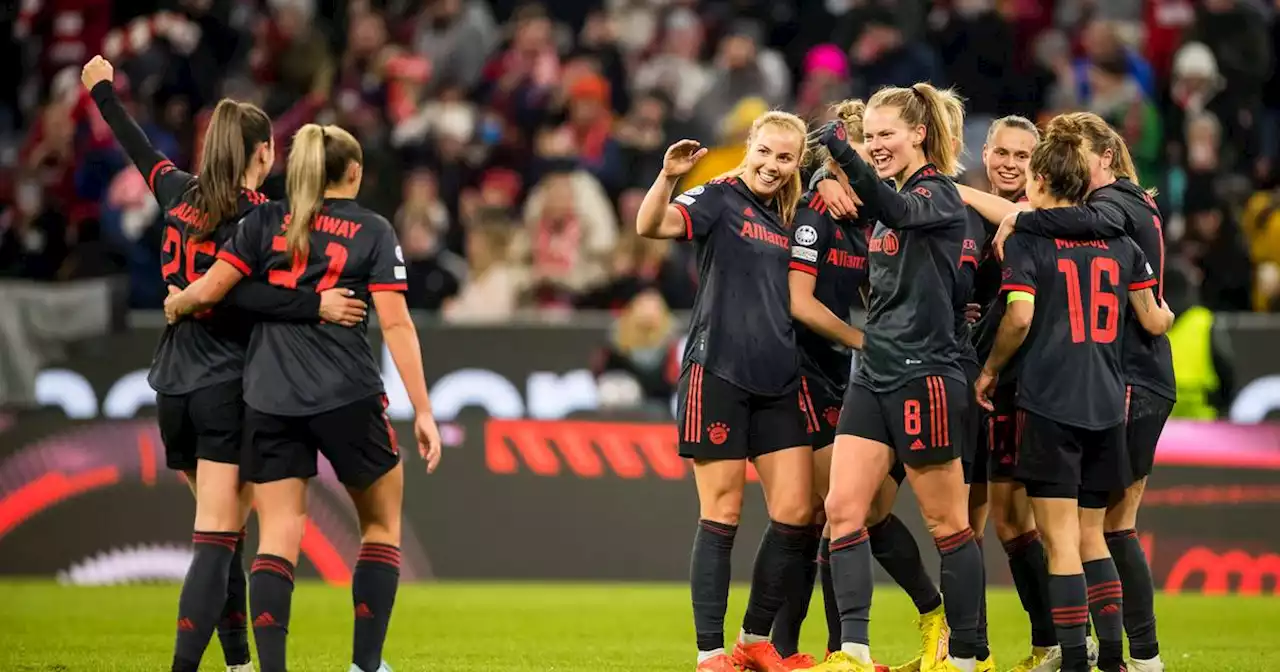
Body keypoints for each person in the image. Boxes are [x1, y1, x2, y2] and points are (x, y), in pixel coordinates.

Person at [80, 56, 366, 672]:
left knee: (224, 534)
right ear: (262, 154)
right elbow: (247, 294)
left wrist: (103, 92)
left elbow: (137, 148)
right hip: (225, 386)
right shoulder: (258, 217)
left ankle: (236, 664)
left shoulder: (178, 192)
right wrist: (316, 304)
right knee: (217, 536)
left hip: (171, 386)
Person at [164, 124, 443, 672]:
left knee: (278, 536)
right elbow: (396, 324)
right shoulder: (373, 229)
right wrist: (425, 409)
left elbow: (214, 287)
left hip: (269, 397)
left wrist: (177, 305)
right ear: (355, 172)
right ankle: (365, 666)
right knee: (381, 525)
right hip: (347, 393)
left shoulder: (266, 219)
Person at [973, 127, 1174, 672]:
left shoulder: (1030, 240)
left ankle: (1072, 660)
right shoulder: (1122, 242)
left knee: (1060, 542)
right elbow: (1155, 317)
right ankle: (1114, 658)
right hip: (1109, 402)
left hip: (1050, 402)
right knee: (1096, 536)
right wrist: (1169, 315)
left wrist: (989, 369)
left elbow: (1018, 315)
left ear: (1040, 179)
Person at [807, 83, 984, 672]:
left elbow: (896, 209)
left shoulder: (937, 195)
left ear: (919, 135)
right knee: (842, 509)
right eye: (871, 136)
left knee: (947, 523)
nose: (878, 145)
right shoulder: (891, 193)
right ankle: (853, 651)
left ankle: (965, 654)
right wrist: (820, 176)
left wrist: (847, 160)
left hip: (925, 376)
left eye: (888, 135)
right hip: (874, 372)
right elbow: (861, 199)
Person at [635, 111, 816, 672]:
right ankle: (709, 652)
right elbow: (652, 227)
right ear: (750, 146)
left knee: (796, 512)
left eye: (785, 158)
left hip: (780, 378)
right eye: (765, 152)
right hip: (718, 373)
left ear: (796, 165)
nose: (772, 165)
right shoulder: (718, 195)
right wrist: (668, 178)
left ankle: (753, 639)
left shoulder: (793, 216)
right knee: (723, 512)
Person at [956, 116, 1064, 672]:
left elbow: (1027, 217)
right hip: (969, 380)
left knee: (1016, 520)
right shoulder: (963, 213)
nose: (1010, 163)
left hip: (1023, 384)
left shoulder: (1042, 214)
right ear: (986, 150)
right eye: (1002, 151)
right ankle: (973, 648)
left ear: (1037, 164)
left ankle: (1054, 640)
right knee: (969, 522)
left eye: (1023, 155)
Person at [770, 99, 871, 667]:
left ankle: (820, 648)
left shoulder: (864, 214)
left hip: (837, 371)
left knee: (824, 512)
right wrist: (866, 343)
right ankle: (801, 646)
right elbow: (801, 304)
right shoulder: (814, 211)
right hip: (802, 365)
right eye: (852, 157)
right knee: (821, 510)